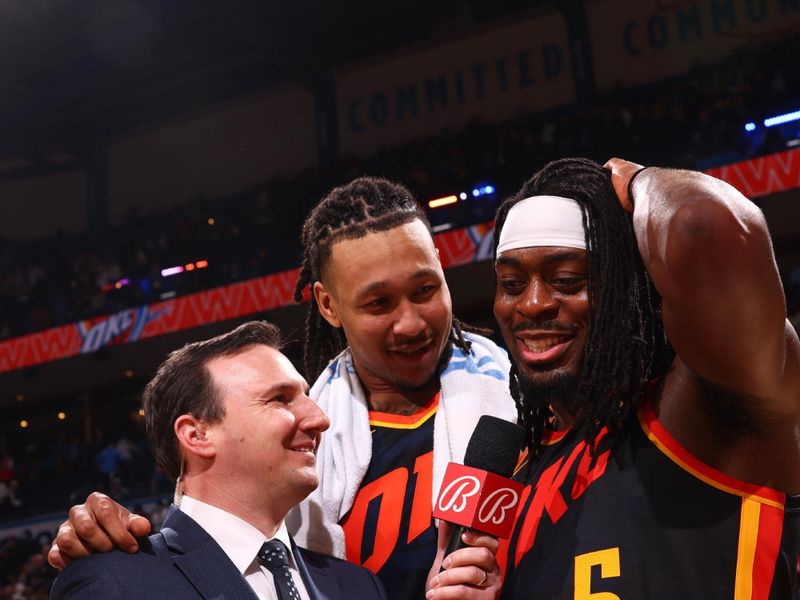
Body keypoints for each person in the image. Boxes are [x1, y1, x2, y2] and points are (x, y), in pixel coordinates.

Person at [49, 178, 514, 599]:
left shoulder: (525, 404)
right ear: (329, 305)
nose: (410, 322)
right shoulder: (299, 458)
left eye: (426, 290)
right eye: (379, 303)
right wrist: (106, 543)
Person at [492, 157, 800, 598]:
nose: (533, 304)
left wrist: (639, 180)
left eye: (566, 279)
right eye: (511, 283)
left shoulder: (701, 416)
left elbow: (700, 227)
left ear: (627, 287)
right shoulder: (519, 474)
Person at [51, 321, 500, 599]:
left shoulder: (358, 587)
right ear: (197, 434)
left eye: (306, 395)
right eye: (281, 400)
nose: (320, 418)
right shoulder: (114, 583)